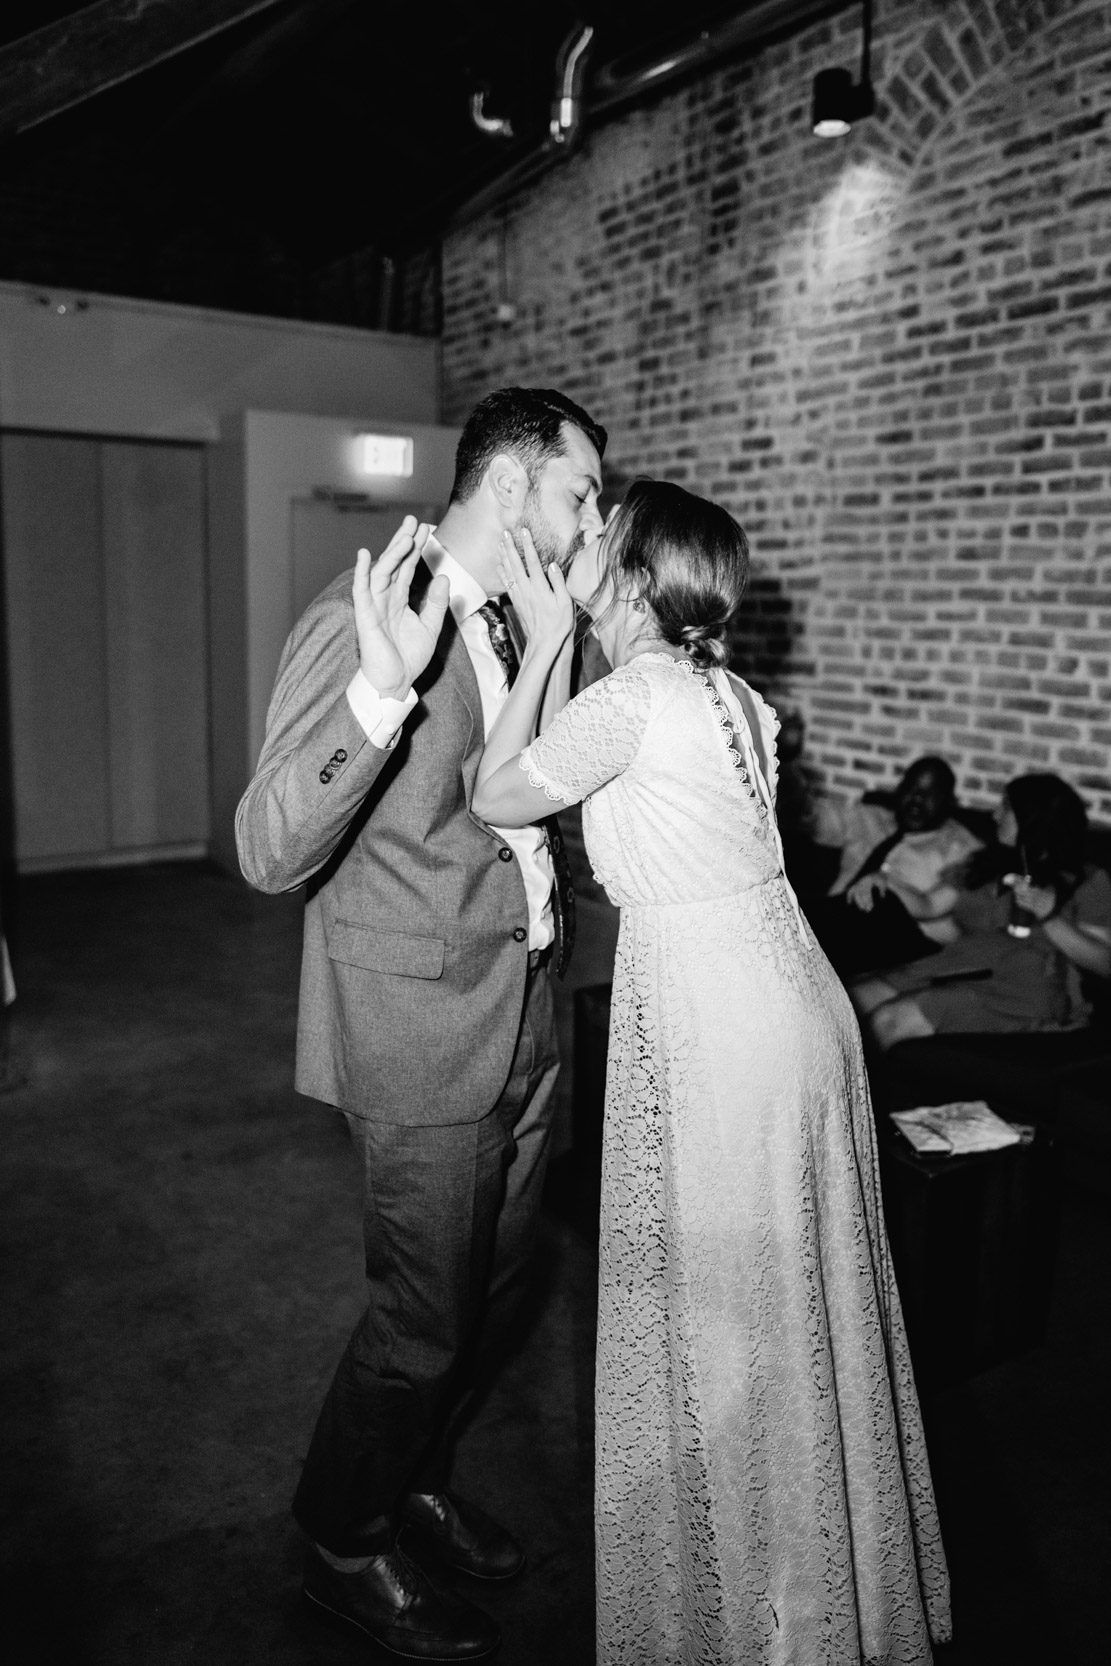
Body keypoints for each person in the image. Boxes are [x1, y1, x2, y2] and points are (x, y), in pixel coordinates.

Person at [466, 479, 950, 1663]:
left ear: (629, 574)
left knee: (733, 1313)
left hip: (719, 1013)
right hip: (796, 995)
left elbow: (492, 791)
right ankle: (815, 1581)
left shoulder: (627, 696)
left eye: (595, 534)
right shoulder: (728, 691)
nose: (575, 542)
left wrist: (537, 646)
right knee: (801, 1289)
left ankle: (777, 1617)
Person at [236, 386, 606, 1662]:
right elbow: (266, 845)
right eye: (577, 492)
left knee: (495, 1292)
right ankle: (343, 1543)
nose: (587, 517)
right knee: (421, 1319)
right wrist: (377, 697)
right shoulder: (363, 617)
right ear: (510, 487)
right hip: (417, 1028)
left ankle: (414, 1480)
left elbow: (528, 802)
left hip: (531, 1012)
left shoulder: (527, 616)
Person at [852, 772, 1111, 1050]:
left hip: (1020, 987)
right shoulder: (983, 864)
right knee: (848, 1001)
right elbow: (928, 905)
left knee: (888, 1021)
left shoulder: (1086, 880)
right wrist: (885, 880)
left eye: (1007, 807)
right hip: (956, 964)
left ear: (1032, 817)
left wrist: (1050, 916)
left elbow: (1104, 962)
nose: (995, 814)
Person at [807, 757, 983, 977]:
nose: (918, 798)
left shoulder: (964, 848)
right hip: (837, 925)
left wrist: (885, 881)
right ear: (899, 790)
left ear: (949, 801)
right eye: (912, 787)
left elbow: (931, 906)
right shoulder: (868, 818)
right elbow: (808, 814)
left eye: (932, 793)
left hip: (911, 947)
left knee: (881, 903)